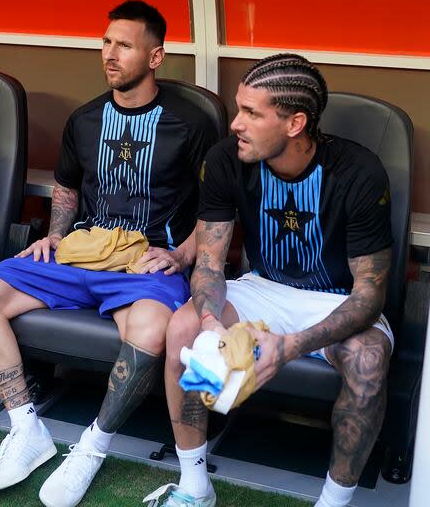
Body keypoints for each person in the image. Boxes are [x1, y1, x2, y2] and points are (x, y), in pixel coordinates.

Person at [0, 0, 217, 507]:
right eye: (106, 42)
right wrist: (54, 234)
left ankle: (91, 448)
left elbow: (218, 209)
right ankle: (26, 428)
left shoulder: (190, 124)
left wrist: (184, 255)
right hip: (81, 250)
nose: (109, 54)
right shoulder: (84, 119)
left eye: (123, 44)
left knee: (148, 330)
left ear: (156, 55)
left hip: (146, 262)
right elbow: (66, 188)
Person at [150, 54, 393, 507]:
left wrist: (290, 346)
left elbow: (369, 295)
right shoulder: (226, 159)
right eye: (238, 108)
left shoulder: (359, 172)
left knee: (368, 363)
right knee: (182, 327)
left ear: (295, 123)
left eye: (252, 113)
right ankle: (193, 485)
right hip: (263, 287)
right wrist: (208, 322)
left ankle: (334, 501)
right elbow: (208, 262)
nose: (236, 123)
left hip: (335, 299)